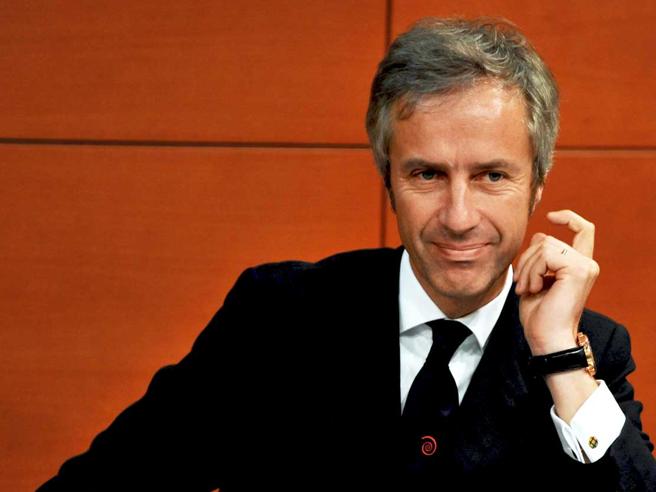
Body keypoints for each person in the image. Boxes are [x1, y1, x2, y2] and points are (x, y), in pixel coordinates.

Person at [38, 17, 655, 492]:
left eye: (492, 176)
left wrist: (559, 360)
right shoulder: (277, 315)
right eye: (427, 174)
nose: (459, 216)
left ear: (537, 184)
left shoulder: (588, 351)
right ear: (388, 179)